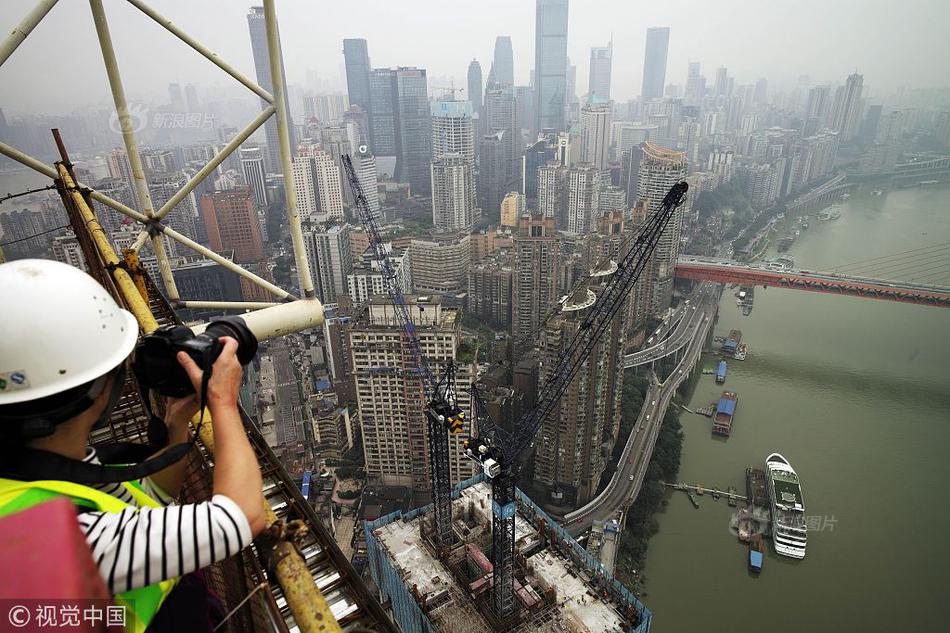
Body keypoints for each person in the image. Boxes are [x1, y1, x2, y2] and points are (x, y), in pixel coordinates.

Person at [0, 259, 265, 631]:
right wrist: (222, 401)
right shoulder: (51, 542)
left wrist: (176, 426)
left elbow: (146, 500)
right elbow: (241, 517)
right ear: (99, 392)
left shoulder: (40, 473)